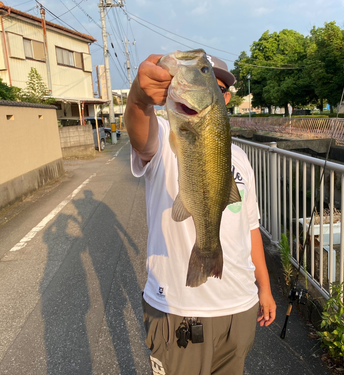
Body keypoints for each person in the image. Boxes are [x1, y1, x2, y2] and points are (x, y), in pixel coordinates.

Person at [125, 52, 276, 375]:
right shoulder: (166, 135)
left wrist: (264, 287)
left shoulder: (239, 157)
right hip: (180, 310)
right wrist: (139, 98)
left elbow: (250, 228)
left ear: (225, 98)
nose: (217, 90)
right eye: (208, 77)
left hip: (240, 304)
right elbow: (140, 136)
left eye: (221, 87)